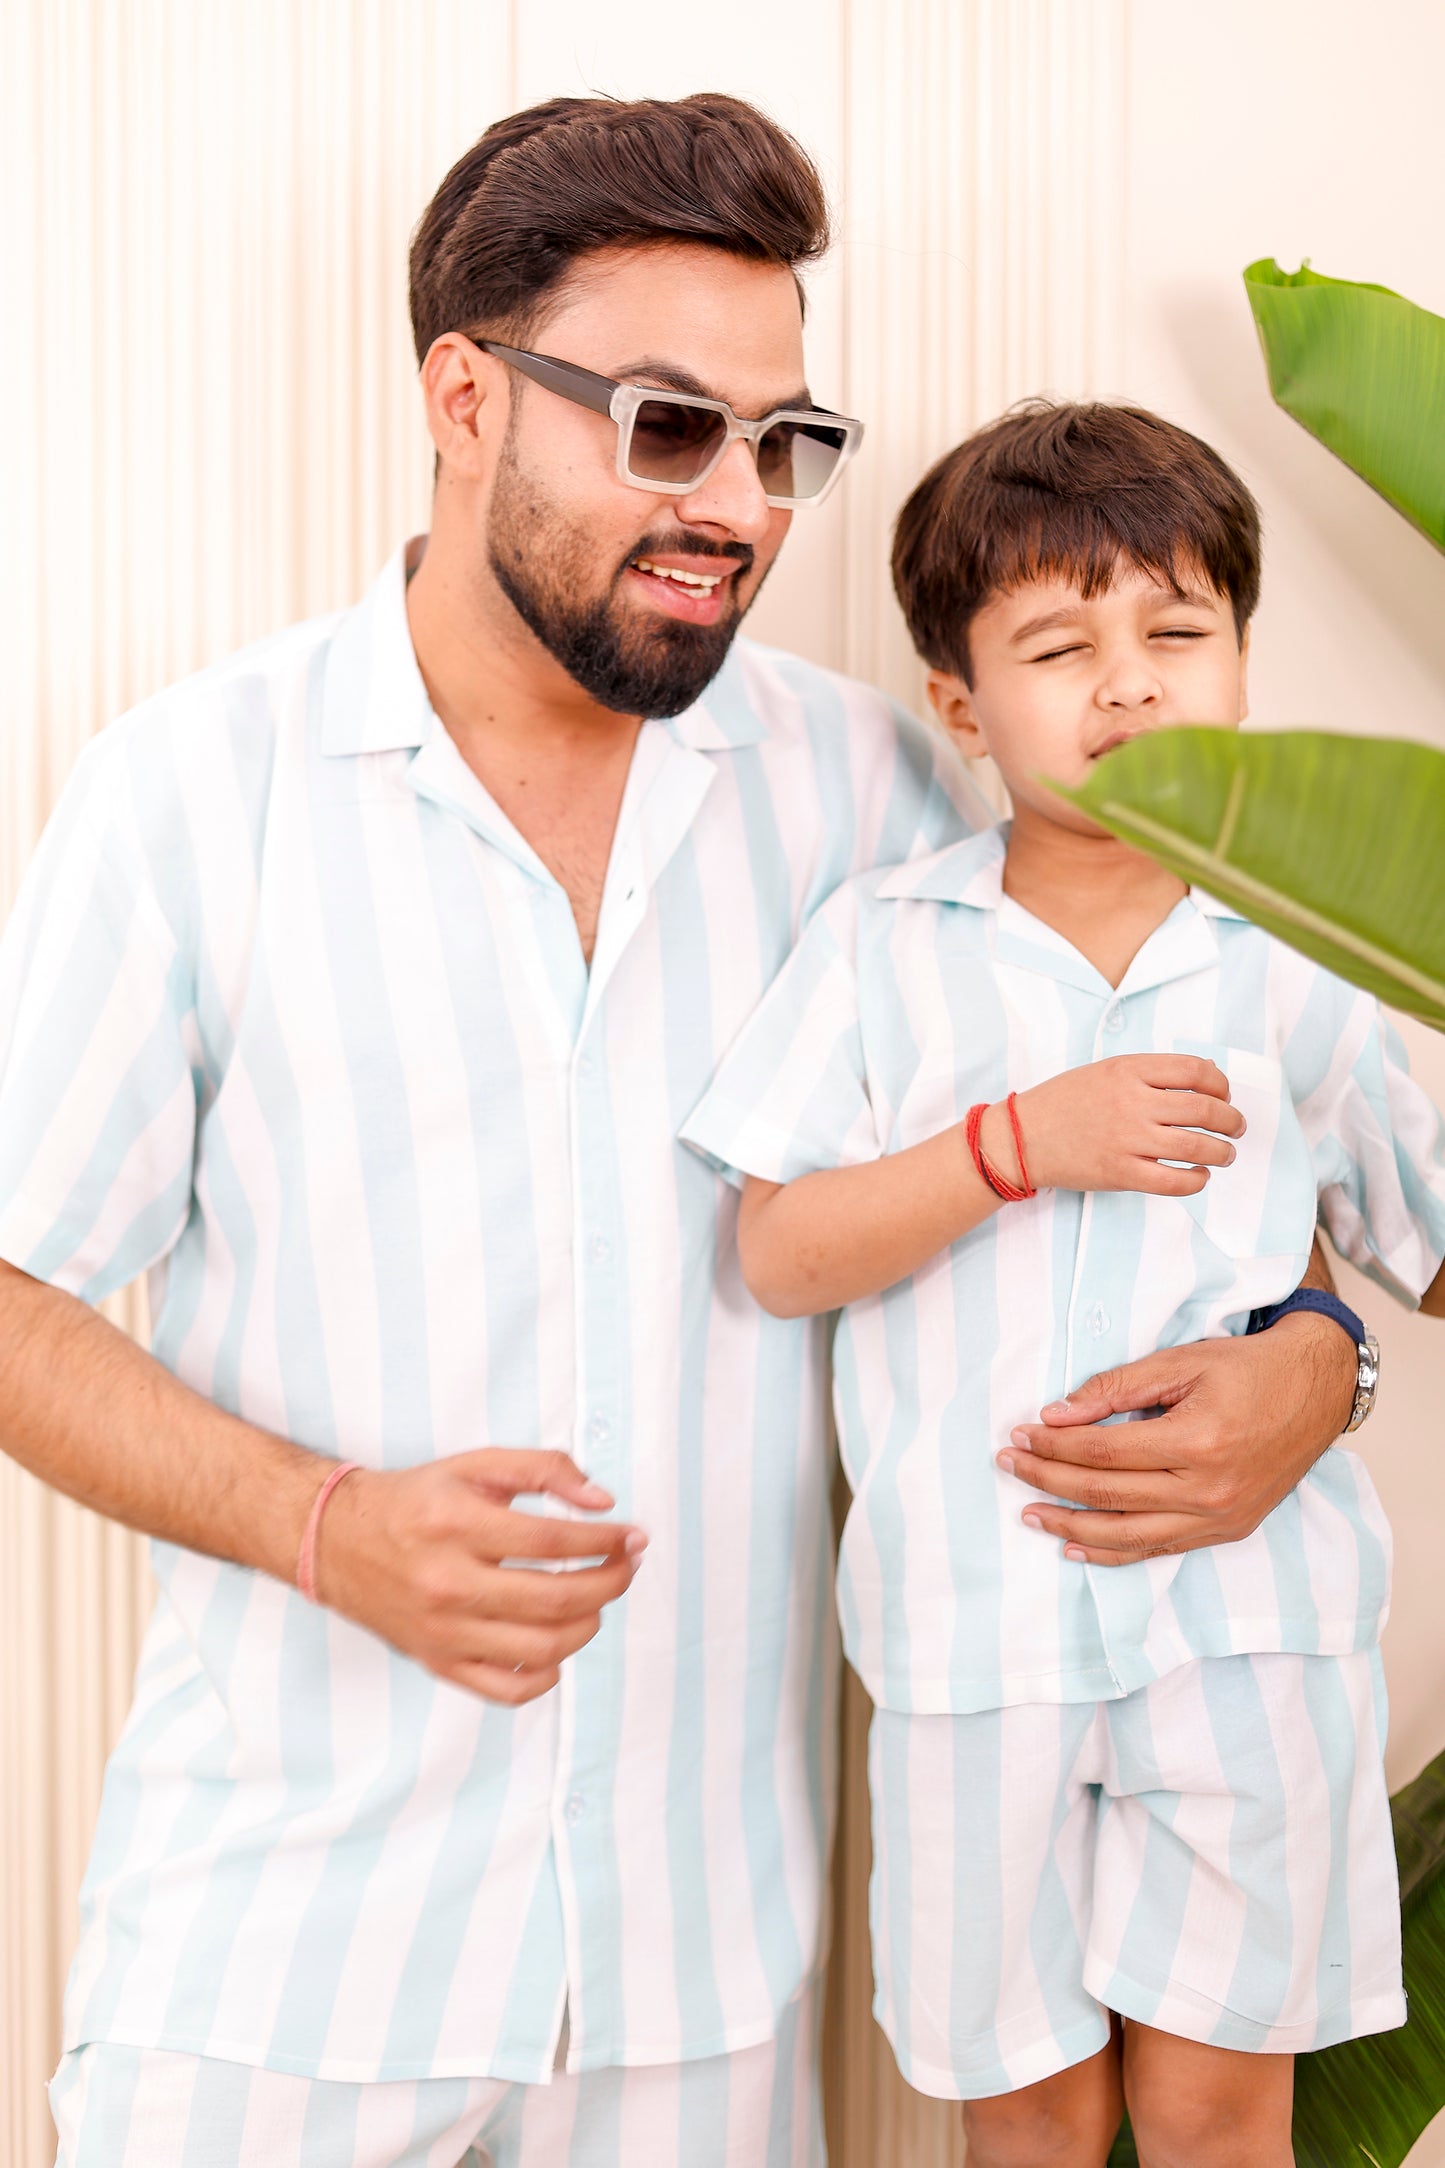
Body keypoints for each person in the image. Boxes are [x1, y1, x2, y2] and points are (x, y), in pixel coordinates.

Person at [0, 94, 1361, 2168]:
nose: (737, 498)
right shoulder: (190, 796)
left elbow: (1211, 1089)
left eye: (781, 439)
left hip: (700, 2001)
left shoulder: (885, 799)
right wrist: (320, 1523)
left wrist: (1316, 1370)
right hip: (276, 1979)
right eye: (663, 426)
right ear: (462, 395)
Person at [681, 399, 1445, 2168]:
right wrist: (1013, 1143)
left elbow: (1422, 1240)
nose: (1128, 684)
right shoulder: (883, 945)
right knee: (1018, 2116)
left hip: (1251, 1645)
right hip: (974, 1651)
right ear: (958, 704)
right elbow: (780, 1249)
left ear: (1243, 660)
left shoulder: (1313, 959)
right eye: (1056, 644)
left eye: (1177, 632)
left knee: (1215, 2112)